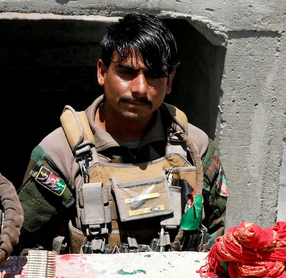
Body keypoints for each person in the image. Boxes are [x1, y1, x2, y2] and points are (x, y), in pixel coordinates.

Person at [18, 13, 228, 253]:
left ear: (169, 82)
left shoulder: (195, 147)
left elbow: (216, 234)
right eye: (127, 72)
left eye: (154, 75)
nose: (140, 88)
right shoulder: (61, 152)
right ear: (102, 72)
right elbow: (26, 245)